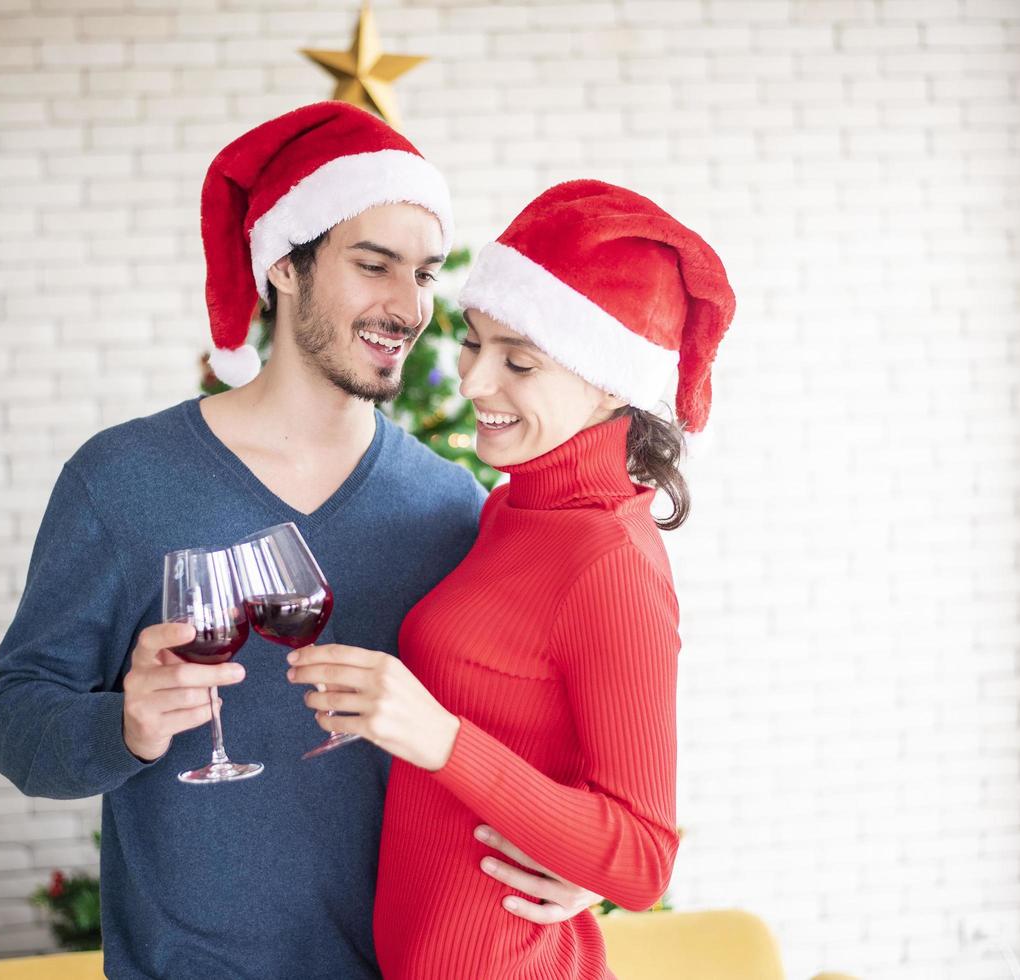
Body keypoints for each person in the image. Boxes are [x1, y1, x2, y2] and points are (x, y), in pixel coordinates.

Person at [0, 103, 597, 980]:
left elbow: (527, 732)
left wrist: (574, 864)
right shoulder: (120, 480)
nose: (408, 305)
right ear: (283, 265)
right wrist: (121, 721)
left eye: (423, 274)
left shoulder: (452, 505)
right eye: (373, 265)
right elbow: (15, 723)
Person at [287, 179, 737, 978]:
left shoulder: (610, 563)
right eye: (474, 342)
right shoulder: (509, 510)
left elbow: (641, 860)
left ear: (609, 384)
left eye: (518, 361)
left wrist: (440, 740)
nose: (470, 382)